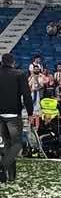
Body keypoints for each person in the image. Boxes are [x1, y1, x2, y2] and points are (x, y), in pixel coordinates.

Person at [0, 54, 33, 183]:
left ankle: (10, 176)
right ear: (13, 62)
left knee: (6, 145)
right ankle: (3, 166)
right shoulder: (19, 74)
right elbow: (26, 95)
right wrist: (30, 113)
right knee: (17, 143)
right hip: (13, 114)